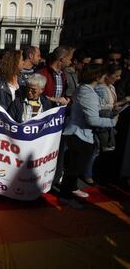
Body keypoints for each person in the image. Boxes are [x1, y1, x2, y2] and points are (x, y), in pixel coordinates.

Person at [60, 64, 118, 208]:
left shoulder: (86, 90)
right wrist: (112, 121)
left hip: (80, 134)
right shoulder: (87, 92)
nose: (105, 77)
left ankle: (72, 189)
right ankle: (65, 196)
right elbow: (92, 119)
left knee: (75, 166)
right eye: (103, 75)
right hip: (79, 135)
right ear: (97, 77)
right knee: (74, 168)